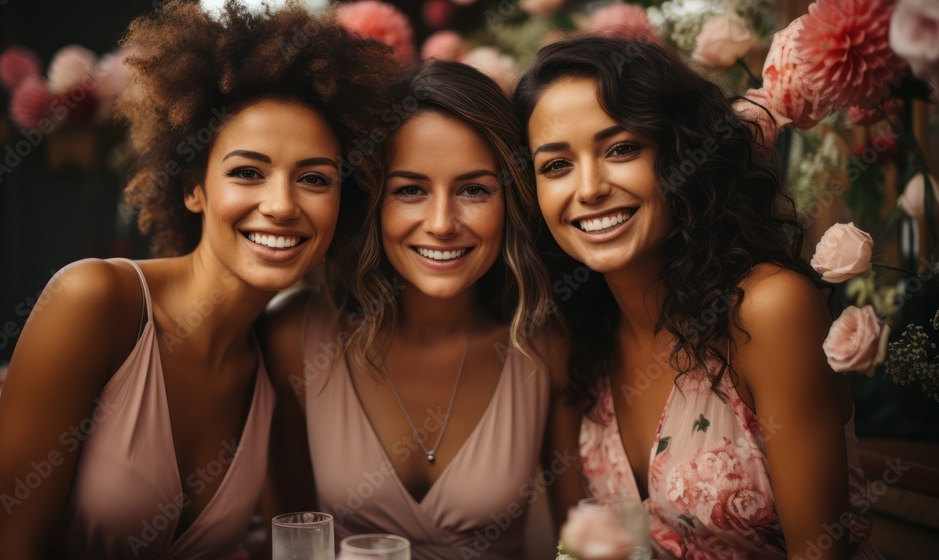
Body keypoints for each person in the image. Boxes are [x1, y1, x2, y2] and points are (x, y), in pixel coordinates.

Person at [0, 2, 400, 558]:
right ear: (192, 188)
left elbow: (288, 542)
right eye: (248, 172)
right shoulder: (95, 301)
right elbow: (2, 547)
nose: (280, 205)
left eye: (315, 179)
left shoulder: (276, 359)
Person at [515, 37, 882, 559]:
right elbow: (580, 550)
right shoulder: (573, 338)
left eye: (621, 149)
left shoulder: (767, 309)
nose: (589, 188)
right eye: (556, 166)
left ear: (679, 156)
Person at [262, 60, 584, 559]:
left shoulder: (544, 344)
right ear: (373, 202)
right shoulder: (293, 336)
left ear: (512, 201)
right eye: (410, 190)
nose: (441, 224)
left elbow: (579, 545)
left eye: (474, 190)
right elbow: (290, 541)